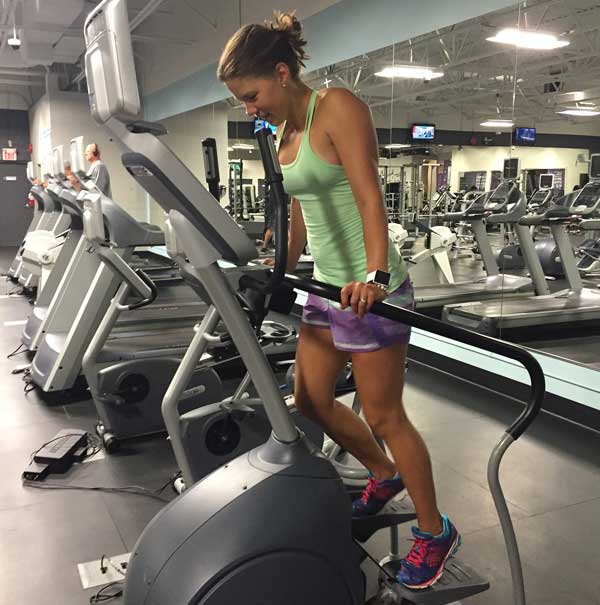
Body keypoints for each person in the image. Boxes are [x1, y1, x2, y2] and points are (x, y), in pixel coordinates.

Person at [218, 12, 460, 589]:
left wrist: (375, 275)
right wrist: (275, 261)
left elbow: (369, 195)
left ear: (281, 73)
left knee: (384, 415)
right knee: (308, 398)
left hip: (370, 289)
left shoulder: (339, 108)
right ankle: (381, 474)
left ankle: (434, 530)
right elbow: (300, 209)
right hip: (326, 287)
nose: (249, 107)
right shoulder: (281, 133)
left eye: (251, 95)